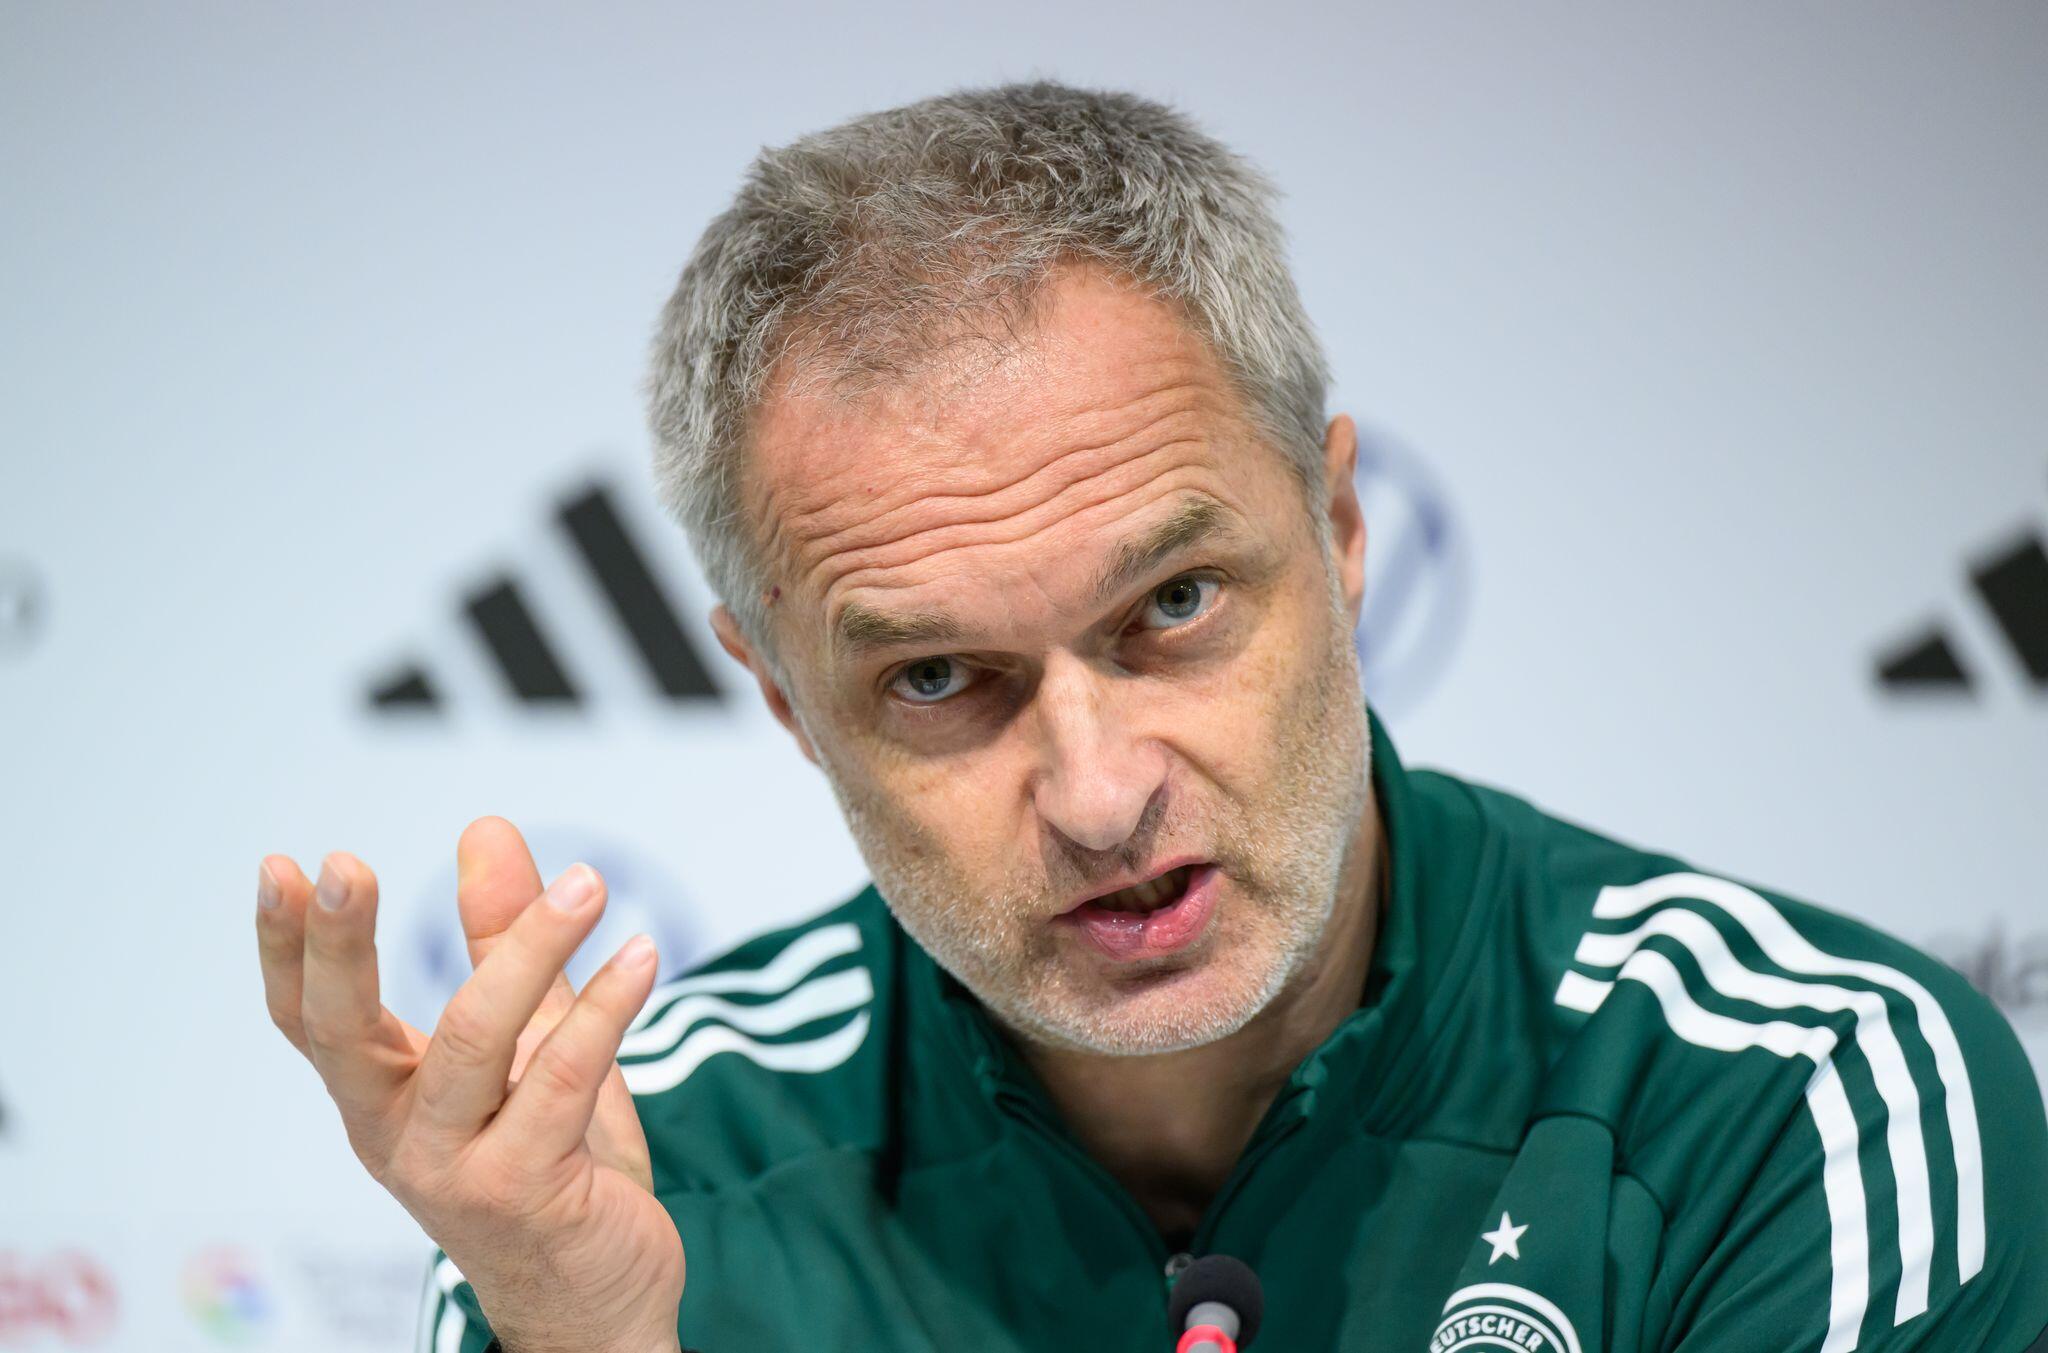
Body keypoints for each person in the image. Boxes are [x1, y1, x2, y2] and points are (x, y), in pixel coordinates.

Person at [251, 81, 2048, 1352]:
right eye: (938, 677)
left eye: (1172, 605)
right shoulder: (642, 1181)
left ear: (1339, 532)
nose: (1101, 794)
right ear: (784, 697)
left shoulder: (1793, 1098)